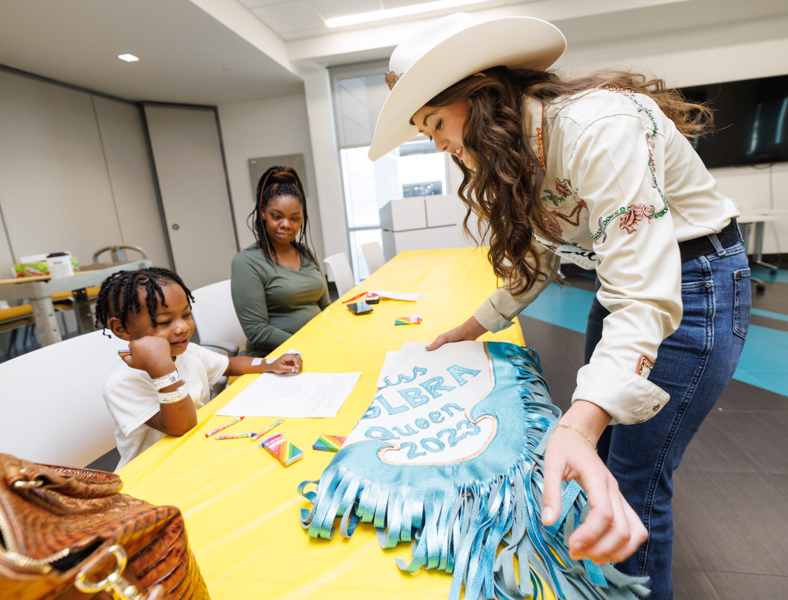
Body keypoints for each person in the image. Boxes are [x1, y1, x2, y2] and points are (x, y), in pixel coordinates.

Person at [368, 13, 750, 600]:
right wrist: (473, 327)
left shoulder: (600, 127)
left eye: (437, 123)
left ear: (481, 95)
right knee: (589, 449)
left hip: (695, 282)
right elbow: (543, 257)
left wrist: (578, 417)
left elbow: (645, 292)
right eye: (427, 133)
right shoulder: (523, 148)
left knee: (632, 481)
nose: (439, 144)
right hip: (624, 285)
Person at [95, 267, 303, 469]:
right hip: (157, 471)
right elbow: (179, 427)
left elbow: (230, 364)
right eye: (165, 321)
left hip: (196, 451)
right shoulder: (124, 382)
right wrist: (163, 370)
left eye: (186, 315)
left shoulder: (188, 352)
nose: (183, 327)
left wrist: (268, 364)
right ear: (121, 329)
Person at [231, 166, 330, 358]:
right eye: (277, 216)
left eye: (295, 218)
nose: (286, 224)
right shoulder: (246, 262)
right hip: (277, 357)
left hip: (317, 346)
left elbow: (325, 306)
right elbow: (257, 330)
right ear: (263, 213)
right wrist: (307, 346)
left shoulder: (307, 253)